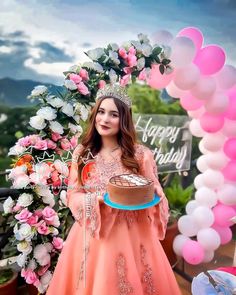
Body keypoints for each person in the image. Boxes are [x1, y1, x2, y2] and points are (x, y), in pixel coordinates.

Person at [46, 84, 181, 294]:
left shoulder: (139, 155)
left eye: (113, 114)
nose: (105, 119)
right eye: (101, 112)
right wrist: (94, 202)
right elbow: (74, 194)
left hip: (134, 233)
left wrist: (154, 194)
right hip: (94, 235)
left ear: (124, 119)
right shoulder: (83, 153)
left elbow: (153, 189)